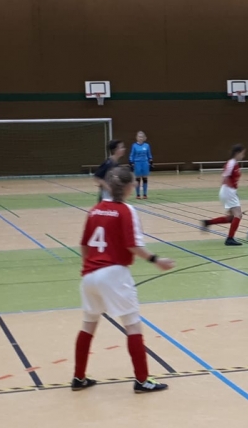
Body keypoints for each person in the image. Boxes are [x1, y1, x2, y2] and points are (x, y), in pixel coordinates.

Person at [72, 167, 175, 393]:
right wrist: (156, 260)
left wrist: (90, 267)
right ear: (129, 187)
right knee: (132, 324)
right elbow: (132, 245)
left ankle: (78, 378)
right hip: (114, 273)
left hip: (89, 275)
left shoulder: (94, 210)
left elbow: (84, 245)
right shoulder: (126, 210)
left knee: (88, 324)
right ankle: (142, 381)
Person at [201, 144, 246, 246]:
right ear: (237, 153)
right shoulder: (231, 163)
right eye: (242, 153)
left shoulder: (235, 163)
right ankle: (230, 239)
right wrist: (230, 190)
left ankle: (208, 222)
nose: (243, 156)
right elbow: (225, 177)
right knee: (238, 215)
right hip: (228, 191)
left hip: (229, 191)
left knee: (231, 218)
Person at [129, 131, 153, 199]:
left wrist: (151, 161)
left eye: (142, 137)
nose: (140, 138)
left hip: (145, 163)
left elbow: (149, 154)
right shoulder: (134, 146)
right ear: (137, 138)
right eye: (139, 137)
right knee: (138, 179)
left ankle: (145, 194)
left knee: (145, 178)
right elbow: (132, 154)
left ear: (144, 138)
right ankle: (138, 194)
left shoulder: (147, 145)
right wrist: (131, 162)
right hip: (137, 163)